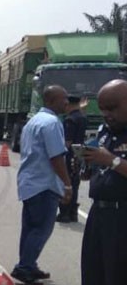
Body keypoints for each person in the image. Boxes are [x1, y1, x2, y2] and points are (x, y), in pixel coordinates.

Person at [70, 79, 127, 285]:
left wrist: (112, 160)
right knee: (94, 279)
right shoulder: (106, 131)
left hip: (123, 217)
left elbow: (116, 162)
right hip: (100, 214)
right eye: (103, 108)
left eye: (113, 108)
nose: (107, 114)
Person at [10, 85, 73, 285]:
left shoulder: (34, 121)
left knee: (30, 228)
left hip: (29, 182)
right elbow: (56, 156)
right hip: (43, 184)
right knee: (41, 229)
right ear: (51, 100)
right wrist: (67, 184)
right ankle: (25, 268)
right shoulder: (52, 122)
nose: (67, 102)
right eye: (64, 99)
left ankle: (28, 264)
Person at [57, 95, 88, 223]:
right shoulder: (83, 118)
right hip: (79, 154)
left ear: (69, 104)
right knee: (75, 184)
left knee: (67, 183)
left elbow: (67, 141)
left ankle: (64, 213)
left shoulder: (70, 120)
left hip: (70, 155)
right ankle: (73, 213)